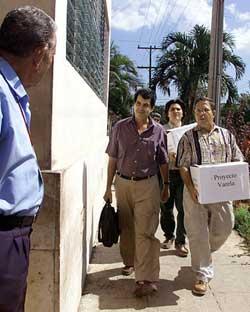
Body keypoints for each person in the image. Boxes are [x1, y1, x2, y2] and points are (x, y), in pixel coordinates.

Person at [0, 6, 56, 311]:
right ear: (39, 53)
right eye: (52, 55)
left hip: (14, 239)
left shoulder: (13, 94)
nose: (50, 63)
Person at [103, 88, 169, 297]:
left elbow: (163, 161)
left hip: (148, 185)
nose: (141, 108)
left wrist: (165, 184)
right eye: (139, 103)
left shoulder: (159, 131)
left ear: (151, 108)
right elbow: (113, 158)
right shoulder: (120, 127)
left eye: (146, 105)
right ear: (134, 103)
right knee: (127, 228)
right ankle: (130, 262)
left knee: (146, 231)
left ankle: (146, 278)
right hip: (122, 184)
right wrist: (108, 188)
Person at [176, 97, 244, 296]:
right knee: (197, 233)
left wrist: (237, 189)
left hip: (221, 193)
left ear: (213, 112)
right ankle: (202, 275)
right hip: (195, 193)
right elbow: (182, 165)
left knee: (225, 227)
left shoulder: (227, 135)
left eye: (205, 109)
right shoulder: (188, 137)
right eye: (197, 110)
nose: (201, 113)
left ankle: (205, 253)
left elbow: (238, 161)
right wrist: (190, 188)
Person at [160, 99, 188, 257]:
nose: (175, 112)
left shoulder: (189, 131)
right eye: (172, 109)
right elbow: (155, 151)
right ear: (167, 113)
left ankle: (180, 241)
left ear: (183, 113)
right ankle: (168, 236)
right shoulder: (161, 131)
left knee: (183, 209)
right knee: (165, 208)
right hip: (166, 173)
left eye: (178, 109)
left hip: (184, 175)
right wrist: (167, 154)